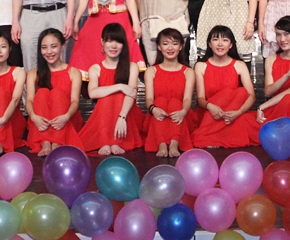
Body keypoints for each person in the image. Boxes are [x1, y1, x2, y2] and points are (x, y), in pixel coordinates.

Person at [79, 25, 144, 154]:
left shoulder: (132, 67)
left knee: (119, 95)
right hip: (104, 116)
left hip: (127, 113)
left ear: (123, 44)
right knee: (108, 96)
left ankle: (115, 141)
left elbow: (131, 94)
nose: (113, 46)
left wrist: (122, 117)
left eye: (118, 42)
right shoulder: (95, 69)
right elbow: (92, 93)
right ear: (102, 42)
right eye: (109, 41)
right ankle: (105, 140)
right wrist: (120, 86)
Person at [192, 26, 260, 148]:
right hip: (210, 113)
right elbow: (200, 98)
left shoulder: (239, 65)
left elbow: (251, 96)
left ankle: (217, 136)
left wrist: (238, 112)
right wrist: (210, 106)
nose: (220, 44)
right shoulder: (201, 66)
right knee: (229, 92)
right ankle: (211, 134)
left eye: (225, 40)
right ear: (209, 44)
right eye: (215, 39)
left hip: (232, 114)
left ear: (231, 45)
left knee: (242, 92)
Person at [25, 29, 84, 156]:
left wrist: (66, 116)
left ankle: (57, 142)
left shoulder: (73, 72)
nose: (49, 52)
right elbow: (29, 100)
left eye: (53, 46)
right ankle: (45, 142)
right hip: (40, 122)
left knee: (57, 93)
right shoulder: (33, 73)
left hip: (66, 119)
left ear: (62, 46)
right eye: (44, 48)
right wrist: (33, 116)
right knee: (42, 93)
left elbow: (75, 101)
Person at [144, 28, 195, 157]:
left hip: (182, 114)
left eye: (175, 43)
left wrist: (183, 111)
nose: (170, 48)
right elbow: (149, 99)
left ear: (181, 47)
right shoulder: (151, 71)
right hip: (156, 114)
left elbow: (187, 99)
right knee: (160, 101)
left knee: (175, 102)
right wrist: (154, 109)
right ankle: (161, 144)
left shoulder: (188, 72)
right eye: (165, 43)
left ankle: (174, 143)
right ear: (159, 47)